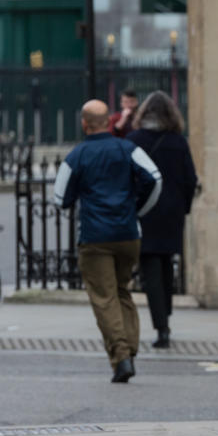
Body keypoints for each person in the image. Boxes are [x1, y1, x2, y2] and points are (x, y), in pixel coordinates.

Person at [54, 99, 162, 382]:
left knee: (104, 297)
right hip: (128, 234)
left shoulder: (77, 155)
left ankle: (121, 356)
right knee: (123, 290)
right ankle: (131, 348)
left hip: (94, 238)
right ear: (108, 122)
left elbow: (59, 198)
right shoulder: (127, 148)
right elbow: (154, 178)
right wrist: (137, 209)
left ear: (84, 123)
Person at [127, 91, 198, 349]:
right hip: (172, 211)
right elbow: (190, 179)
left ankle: (162, 327)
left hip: (145, 210)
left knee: (150, 268)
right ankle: (165, 317)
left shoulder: (134, 140)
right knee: (167, 264)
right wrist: (184, 207)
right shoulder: (178, 142)